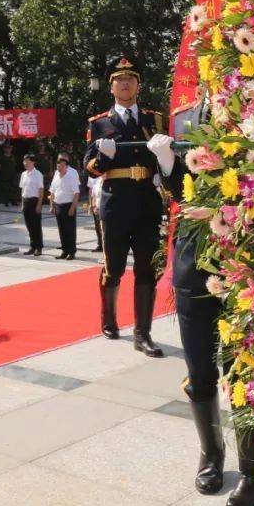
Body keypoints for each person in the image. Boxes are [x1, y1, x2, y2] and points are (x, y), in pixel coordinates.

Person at [150, 106, 254, 506]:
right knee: (200, 368)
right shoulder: (184, 118)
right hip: (193, 259)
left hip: (244, 260)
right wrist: (168, 166)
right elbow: (182, 190)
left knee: (244, 372)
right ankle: (211, 454)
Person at [83, 55, 166, 359]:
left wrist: (164, 164)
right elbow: (89, 168)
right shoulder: (99, 123)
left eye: (130, 78)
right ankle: (108, 319)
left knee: (147, 267)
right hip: (115, 203)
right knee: (114, 266)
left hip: (147, 202)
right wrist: (102, 158)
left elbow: (166, 158)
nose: (125, 83)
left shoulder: (154, 119)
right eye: (119, 79)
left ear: (138, 85)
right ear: (111, 87)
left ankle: (142, 334)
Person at [48, 153, 80, 259]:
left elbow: (76, 193)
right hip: (58, 205)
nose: (59, 168)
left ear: (66, 166)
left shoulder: (71, 175)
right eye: (58, 166)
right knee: (61, 229)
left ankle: (71, 251)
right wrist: (52, 205)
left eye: (62, 166)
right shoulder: (56, 175)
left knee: (70, 230)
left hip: (68, 205)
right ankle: (64, 250)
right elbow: (52, 191)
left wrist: (72, 208)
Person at [19, 153, 44, 256]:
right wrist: (22, 203)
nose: (25, 163)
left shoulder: (38, 174)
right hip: (26, 201)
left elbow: (41, 190)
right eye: (24, 161)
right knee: (29, 226)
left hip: (34, 201)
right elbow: (23, 190)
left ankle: (39, 247)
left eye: (27, 161)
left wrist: (39, 204)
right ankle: (32, 246)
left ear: (33, 162)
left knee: (36, 226)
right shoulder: (23, 174)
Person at [88, 174, 104, 252]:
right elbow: (93, 194)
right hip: (97, 208)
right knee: (98, 227)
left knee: (105, 229)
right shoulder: (96, 180)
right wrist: (93, 205)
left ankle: (106, 246)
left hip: (105, 208)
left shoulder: (107, 179)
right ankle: (100, 245)